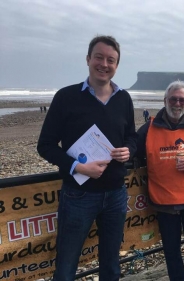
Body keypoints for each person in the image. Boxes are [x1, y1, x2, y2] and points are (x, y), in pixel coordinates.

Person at [37, 35, 137, 280]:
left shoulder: (124, 98)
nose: (104, 64)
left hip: (116, 193)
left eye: (111, 60)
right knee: (67, 265)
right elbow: (45, 146)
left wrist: (129, 150)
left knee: (112, 263)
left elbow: (132, 137)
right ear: (88, 59)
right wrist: (77, 167)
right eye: (99, 57)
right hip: (78, 195)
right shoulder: (66, 96)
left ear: (117, 65)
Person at [136, 80, 184, 281]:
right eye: (173, 99)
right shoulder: (148, 128)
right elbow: (131, 151)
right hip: (163, 204)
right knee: (172, 253)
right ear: (165, 100)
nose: (177, 104)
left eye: (182, 100)